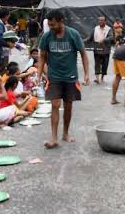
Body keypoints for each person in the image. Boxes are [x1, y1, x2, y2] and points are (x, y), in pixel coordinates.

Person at [38, 9, 90, 149]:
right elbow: (42, 56)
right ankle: (54, 138)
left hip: (70, 77)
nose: (51, 27)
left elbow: (83, 54)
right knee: (55, 105)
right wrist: (38, 75)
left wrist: (86, 74)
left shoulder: (73, 34)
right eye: (49, 25)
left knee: (68, 106)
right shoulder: (47, 37)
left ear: (61, 21)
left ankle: (65, 133)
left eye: (53, 24)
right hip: (54, 76)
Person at [87, 16, 114, 84]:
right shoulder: (95, 28)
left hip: (106, 49)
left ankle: (102, 77)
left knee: (105, 64)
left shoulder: (108, 29)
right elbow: (90, 37)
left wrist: (104, 39)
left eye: (102, 20)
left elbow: (111, 37)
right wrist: (82, 41)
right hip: (97, 48)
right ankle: (97, 78)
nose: (100, 22)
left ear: (105, 21)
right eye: (99, 20)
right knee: (97, 64)